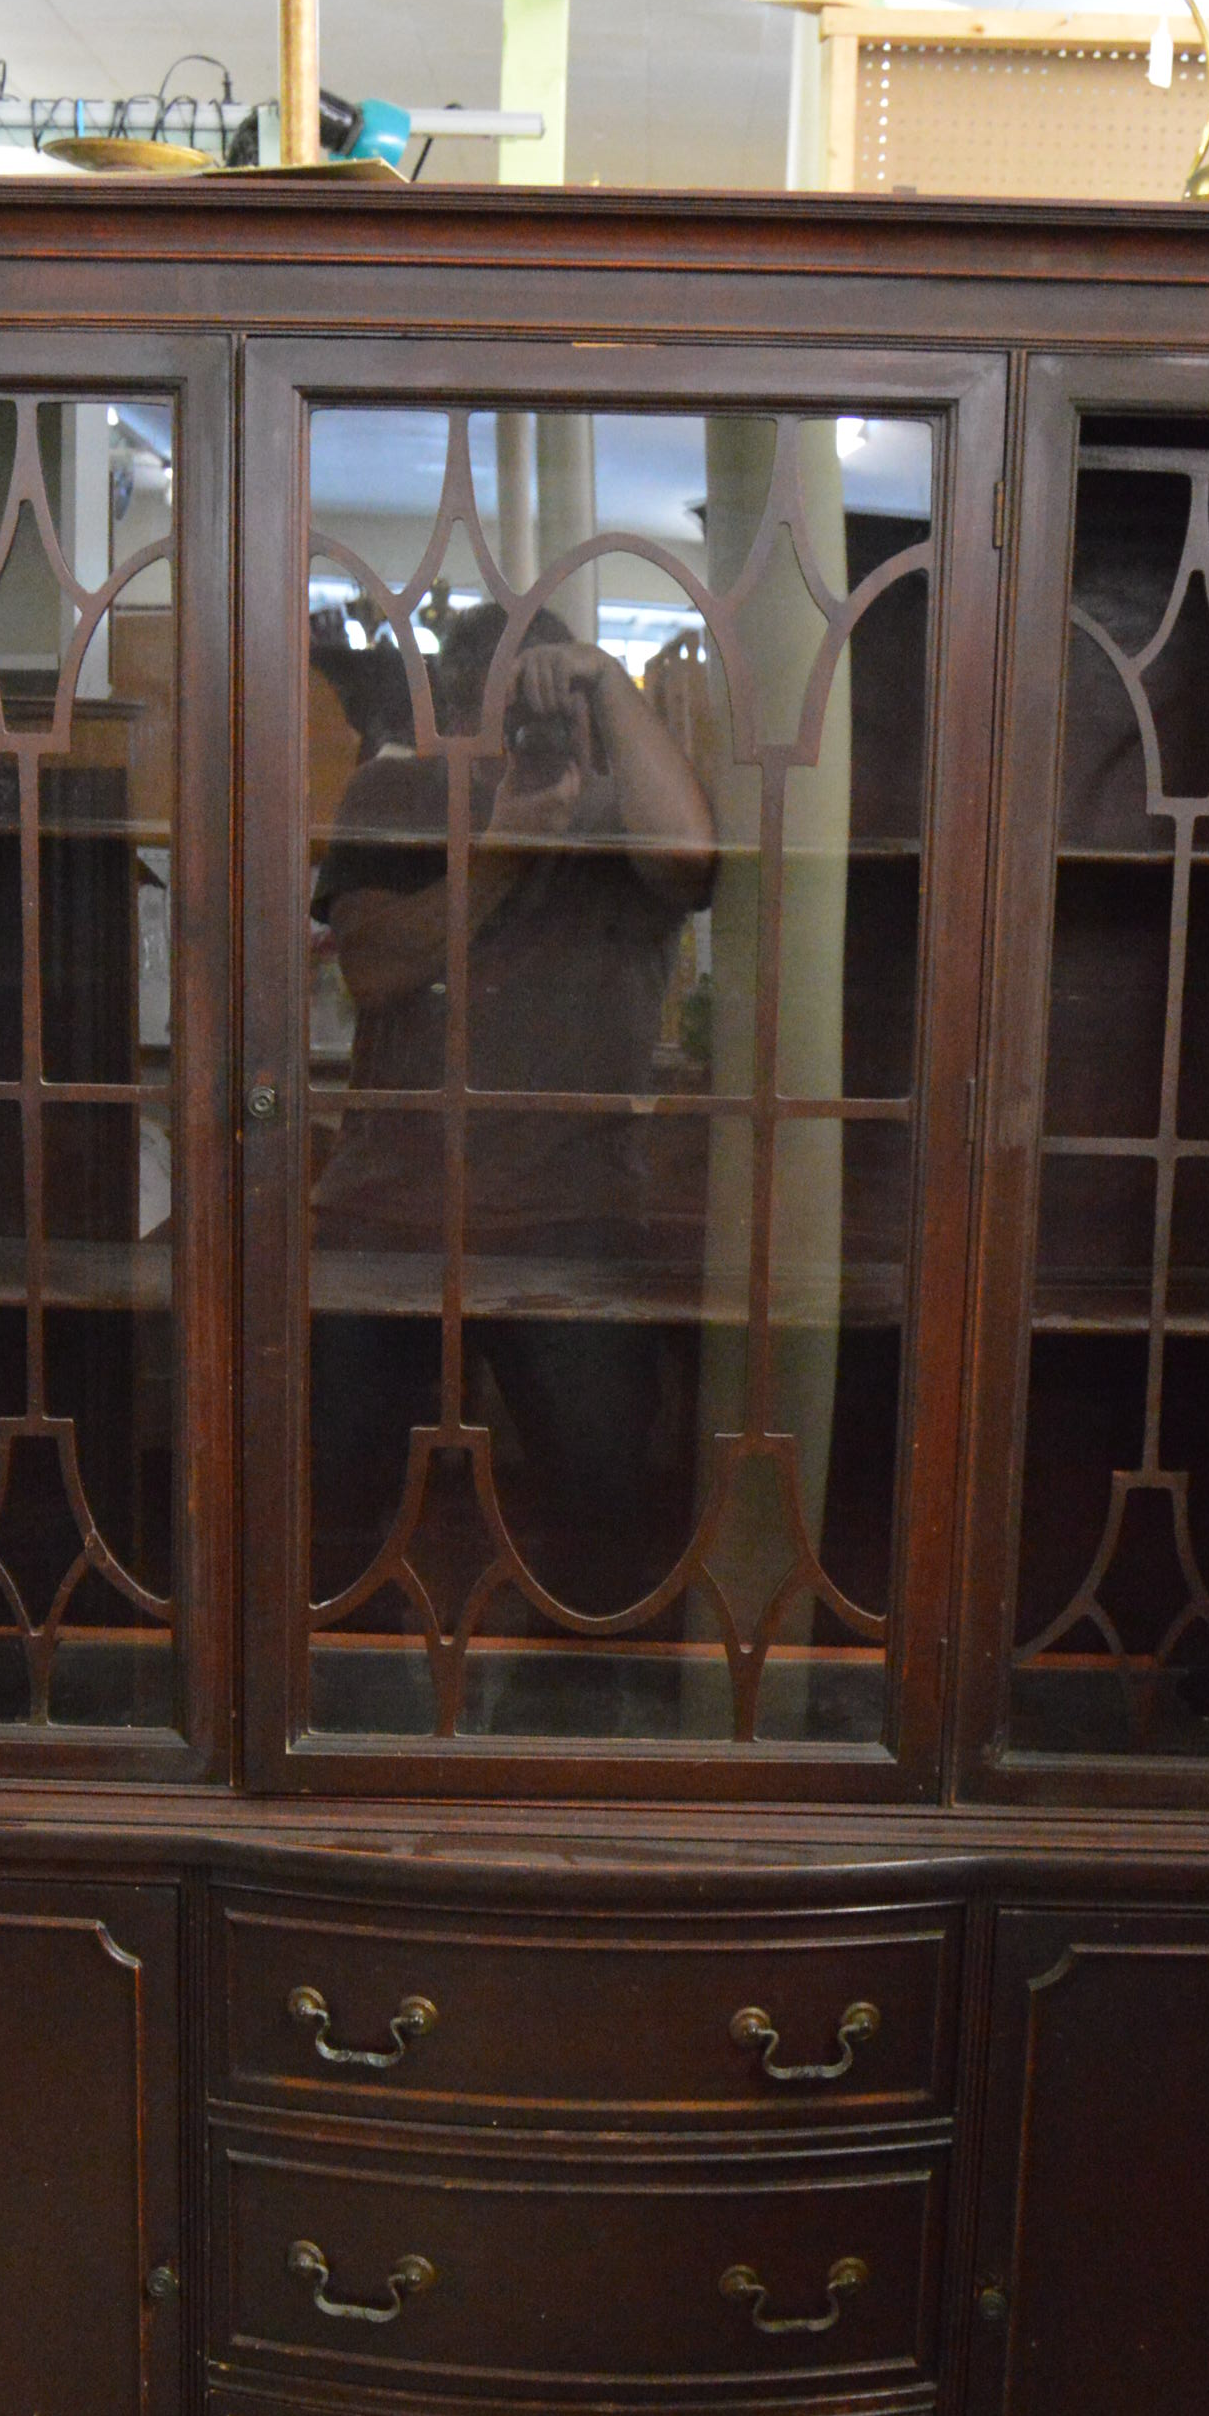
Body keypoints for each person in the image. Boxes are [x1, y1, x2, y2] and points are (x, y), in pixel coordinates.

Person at [308, 599, 716, 1638]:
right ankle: (349, 1738)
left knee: (604, 1524)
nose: (513, 726)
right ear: (450, 705)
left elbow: (689, 858)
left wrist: (607, 686)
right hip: (386, 1216)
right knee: (341, 1519)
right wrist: (500, 847)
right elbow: (371, 964)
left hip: (569, 1220)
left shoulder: (625, 813)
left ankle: (592, 1741)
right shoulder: (396, 792)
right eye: (487, 697)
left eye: (542, 697)